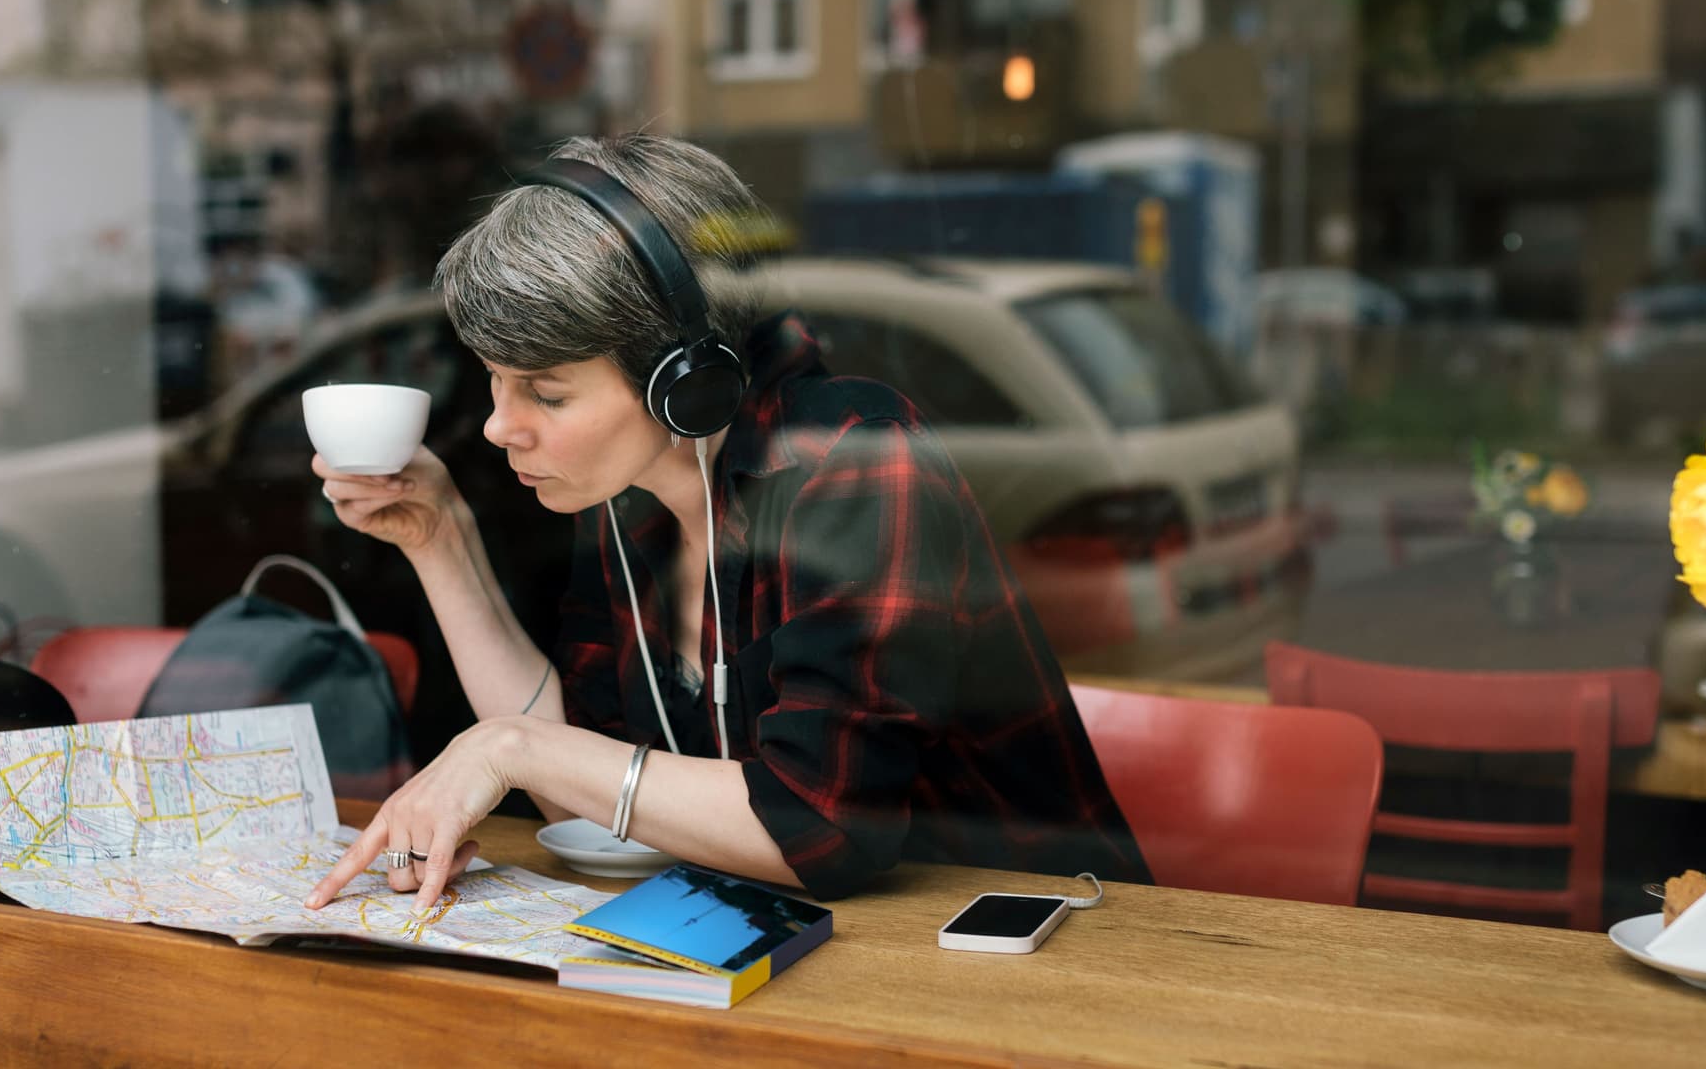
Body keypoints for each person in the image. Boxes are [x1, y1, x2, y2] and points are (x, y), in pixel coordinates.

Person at [304, 133, 1147, 912]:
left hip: (1038, 948)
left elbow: (824, 826)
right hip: (816, 951)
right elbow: (585, 801)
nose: (498, 427)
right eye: (496, 381)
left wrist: (510, 747)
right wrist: (440, 539)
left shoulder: (858, 463)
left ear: (686, 379)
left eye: (546, 392)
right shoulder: (628, 498)